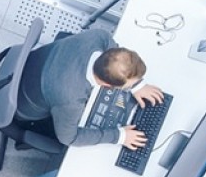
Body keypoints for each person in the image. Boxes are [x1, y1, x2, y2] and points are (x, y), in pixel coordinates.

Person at [20, 29, 165, 149]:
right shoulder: (71, 99)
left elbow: (113, 52)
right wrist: (119, 136)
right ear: (108, 86)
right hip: (25, 106)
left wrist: (136, 86)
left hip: (33, 64)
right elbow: (69, 138)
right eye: (127, 86)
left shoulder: (99, 36)